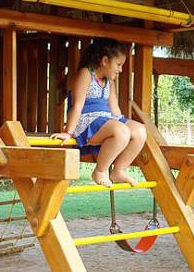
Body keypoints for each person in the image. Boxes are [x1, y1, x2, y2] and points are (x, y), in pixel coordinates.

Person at [50, 38, 146, 187]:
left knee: (140, 131)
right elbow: (77, 105)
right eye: (118, 65)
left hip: (105, 121)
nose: (121, 70)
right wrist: (68, 132)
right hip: (86, 122)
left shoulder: (109, 82)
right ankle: (100, 171)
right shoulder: (86, 74)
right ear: (105, 61)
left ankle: (119, 170)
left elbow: (115, 110)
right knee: (122, 131)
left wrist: (126, 125)